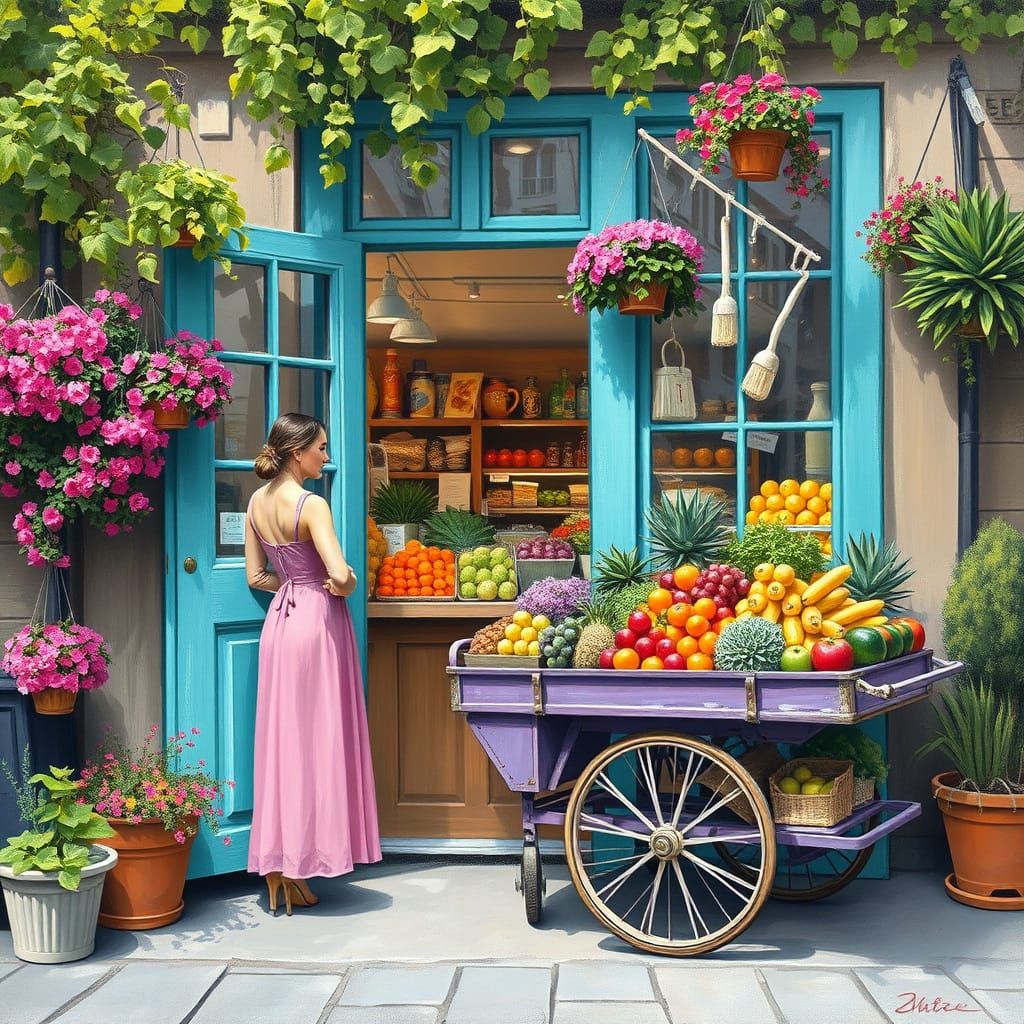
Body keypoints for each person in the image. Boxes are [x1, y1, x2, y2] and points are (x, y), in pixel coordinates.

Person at [245, 412, 381, 915]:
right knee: (319, 741)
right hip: (318, 625)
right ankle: (306, 859)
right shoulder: (312, 504)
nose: (326, 455)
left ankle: (280, 868)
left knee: (284, 744)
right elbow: (342, 573)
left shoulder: (256, 503)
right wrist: (341, 583)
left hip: (281, 624)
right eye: (321, 447)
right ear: (297, 451)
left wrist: (291, 585)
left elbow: (255, 576)